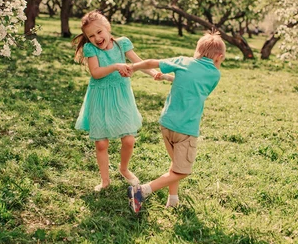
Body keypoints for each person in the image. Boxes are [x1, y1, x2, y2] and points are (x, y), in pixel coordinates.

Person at [127, 31, 225, 212]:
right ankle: (142, 191)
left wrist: (133, 67)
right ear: (219, 57)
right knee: (182, 171)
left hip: (167, 123)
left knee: (175, 165)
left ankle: (173, 200)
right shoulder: (214, 75)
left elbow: (151, 64)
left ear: (198, 51)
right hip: (186, 129)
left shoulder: (183, 61)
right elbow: (198, 87)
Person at [74, 11, 159, 192]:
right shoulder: (91, 49)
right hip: (101, 96)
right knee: (101, 143)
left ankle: (124, 168)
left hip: (121, 96)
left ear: (108, 28)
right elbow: (95, 73)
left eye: (99, 32)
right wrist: (115, 66)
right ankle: (105, 180)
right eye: (91, 36)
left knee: (128, 140)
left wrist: (153, 73)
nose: (97, 38)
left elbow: (138, 62)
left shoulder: (122, 44)